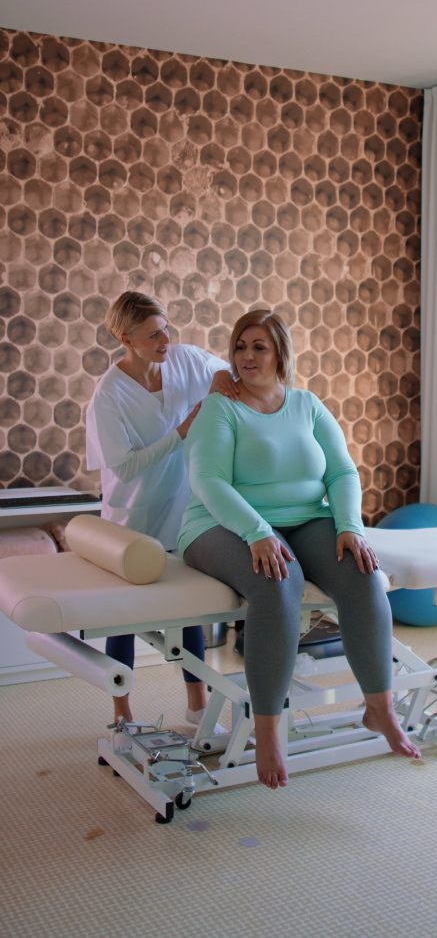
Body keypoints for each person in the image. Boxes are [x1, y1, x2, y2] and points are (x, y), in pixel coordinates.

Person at [178, 309, 422, 790]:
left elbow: (342, 472)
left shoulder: (307, 405)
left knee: (363, 571)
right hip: (220, 524)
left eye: (259, 347)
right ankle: (267, 729)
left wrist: (350, 526)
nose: (247, 356)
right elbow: (207, 481)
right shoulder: (221, 408)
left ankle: (380, 709)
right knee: (279, 581)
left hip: (305, 516)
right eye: (241, 346)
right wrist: (257, 532)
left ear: (280, 354)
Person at [86, 291, 238, 726]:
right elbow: (127, 467)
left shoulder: (185, 359)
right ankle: (121, 716)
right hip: (131, 517)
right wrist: (182, 432)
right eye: (153, 334)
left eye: (166, 328)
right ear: (125, 338)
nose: (165, 339)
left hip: (183, 511)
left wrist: (220, 384)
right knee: (123, 621)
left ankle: (197, 706)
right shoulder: (109, 396)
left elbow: (223, 371)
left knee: (187, 611)